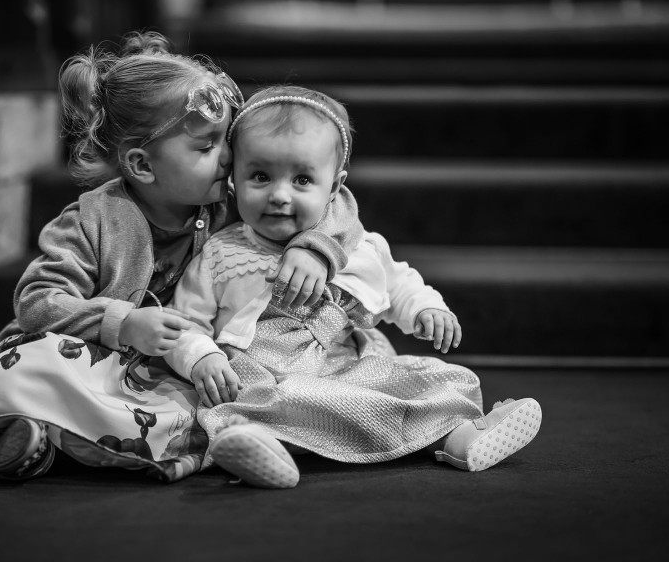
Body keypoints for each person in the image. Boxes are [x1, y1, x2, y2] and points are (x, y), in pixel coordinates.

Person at [0, 33, 364, 486]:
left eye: (227, 142)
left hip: (163, 370)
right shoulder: (92, 221)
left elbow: (333, 200)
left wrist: (314, 249)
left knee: (187, 410)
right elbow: (37, 301)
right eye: (207, 147)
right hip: (86, 353)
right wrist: (122, 322)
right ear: (141, 165)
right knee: (42, 367)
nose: (230, 158)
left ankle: (32, 444)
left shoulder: (225, 202)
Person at [164, 85, 542, 489]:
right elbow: (183, 319)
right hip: (268, 378)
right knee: (258, 402)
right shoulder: (222, 253)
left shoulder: (358, 246)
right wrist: (201, 356)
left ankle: (462, 437)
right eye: (260, 176)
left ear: (334, 186)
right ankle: (258, 445)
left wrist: (424, 308)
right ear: (234, 180)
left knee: (443, 378)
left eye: (302, 179)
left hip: (345, 366)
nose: (279, 195)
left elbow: (397, 281)